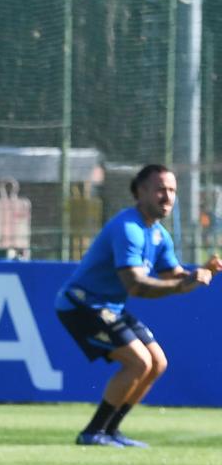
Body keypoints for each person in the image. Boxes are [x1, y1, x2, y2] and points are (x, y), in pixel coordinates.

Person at [56, 164, 220, 448]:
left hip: (109, 307)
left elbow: (173, 275)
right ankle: (92, 432)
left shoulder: (158, 234)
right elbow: (136, 285)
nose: (167, 196)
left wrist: (201, 273)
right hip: (81, 305)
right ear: (140, 192)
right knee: (138, 362)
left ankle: (110, 431)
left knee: (157, 363)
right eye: (160, 189)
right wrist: (184, 285)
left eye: (172, 190)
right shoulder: (128, 228)